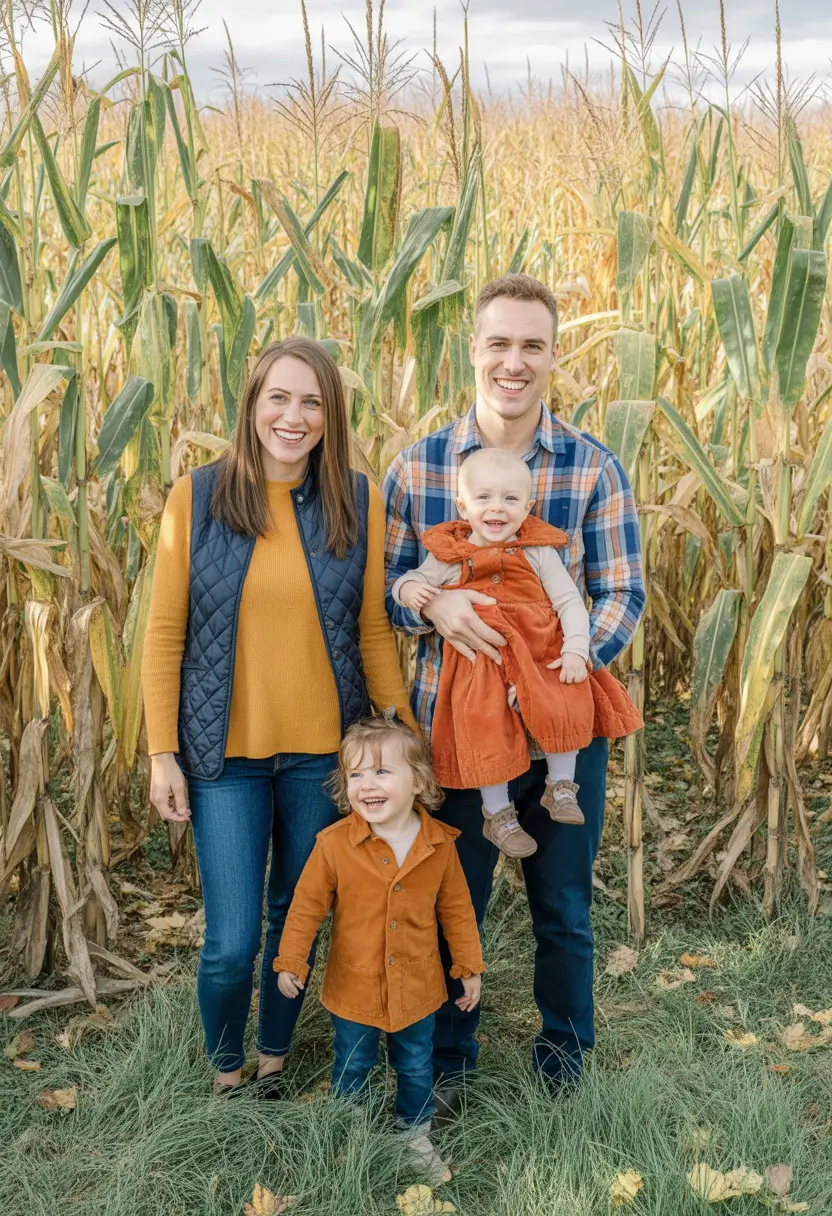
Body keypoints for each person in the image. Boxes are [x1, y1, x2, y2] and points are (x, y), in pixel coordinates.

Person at [383, 273, 645, 1093]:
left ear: (554, 356)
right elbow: (388, 593)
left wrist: (557, 672)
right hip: (455, 731)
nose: (515, 361)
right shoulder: (420, 466)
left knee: (563, 909)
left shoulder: (591, 467)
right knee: (451, 901)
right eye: (499, 342)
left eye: (533, 345)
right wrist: (437, 606)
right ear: (473, 352)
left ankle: (565, 1060)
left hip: (562, 732)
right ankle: (450, 1064)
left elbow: (620, 592)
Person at [142, 336, 416, 1093]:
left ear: (331, 415)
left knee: (296, 922)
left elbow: (370, 630)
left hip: (322, 758)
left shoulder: (355, 499)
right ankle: (226, 1070)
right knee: (231, 941)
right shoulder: (196, 498)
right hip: (220, 759)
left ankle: (272, 1055)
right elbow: (164, 632)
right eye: (279, 398)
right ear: (252, 405)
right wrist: (163, 751)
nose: (293, 417)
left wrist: (403, 737)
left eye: (312, 402)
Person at [392, 447, 642, 859]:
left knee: (563, 699)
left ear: (527, 508)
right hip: (481, 665)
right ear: (462, 506)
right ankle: (497, 813)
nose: (497, 508)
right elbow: (407, 582)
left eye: (510, 499)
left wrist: (578, 649)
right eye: (484, 498)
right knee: (483, 725)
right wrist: (415, 594)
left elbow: (569, 602)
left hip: (539, 655)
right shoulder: (448, 555)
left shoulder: (538, 552)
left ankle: (561, 787)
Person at [274, 713, 483, 1180]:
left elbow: (457, 910)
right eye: (356, 774)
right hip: (355, 985)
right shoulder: (334, 845)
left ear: (419, 782)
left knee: (414, 1063)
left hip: (418, 986)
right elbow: (306, 906)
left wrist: (469, 965)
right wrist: (291, 960)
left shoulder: (439, 844)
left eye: (382, 771)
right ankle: (349, 1132)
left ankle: (414, 1134)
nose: (367, 784)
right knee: (352, 1061)